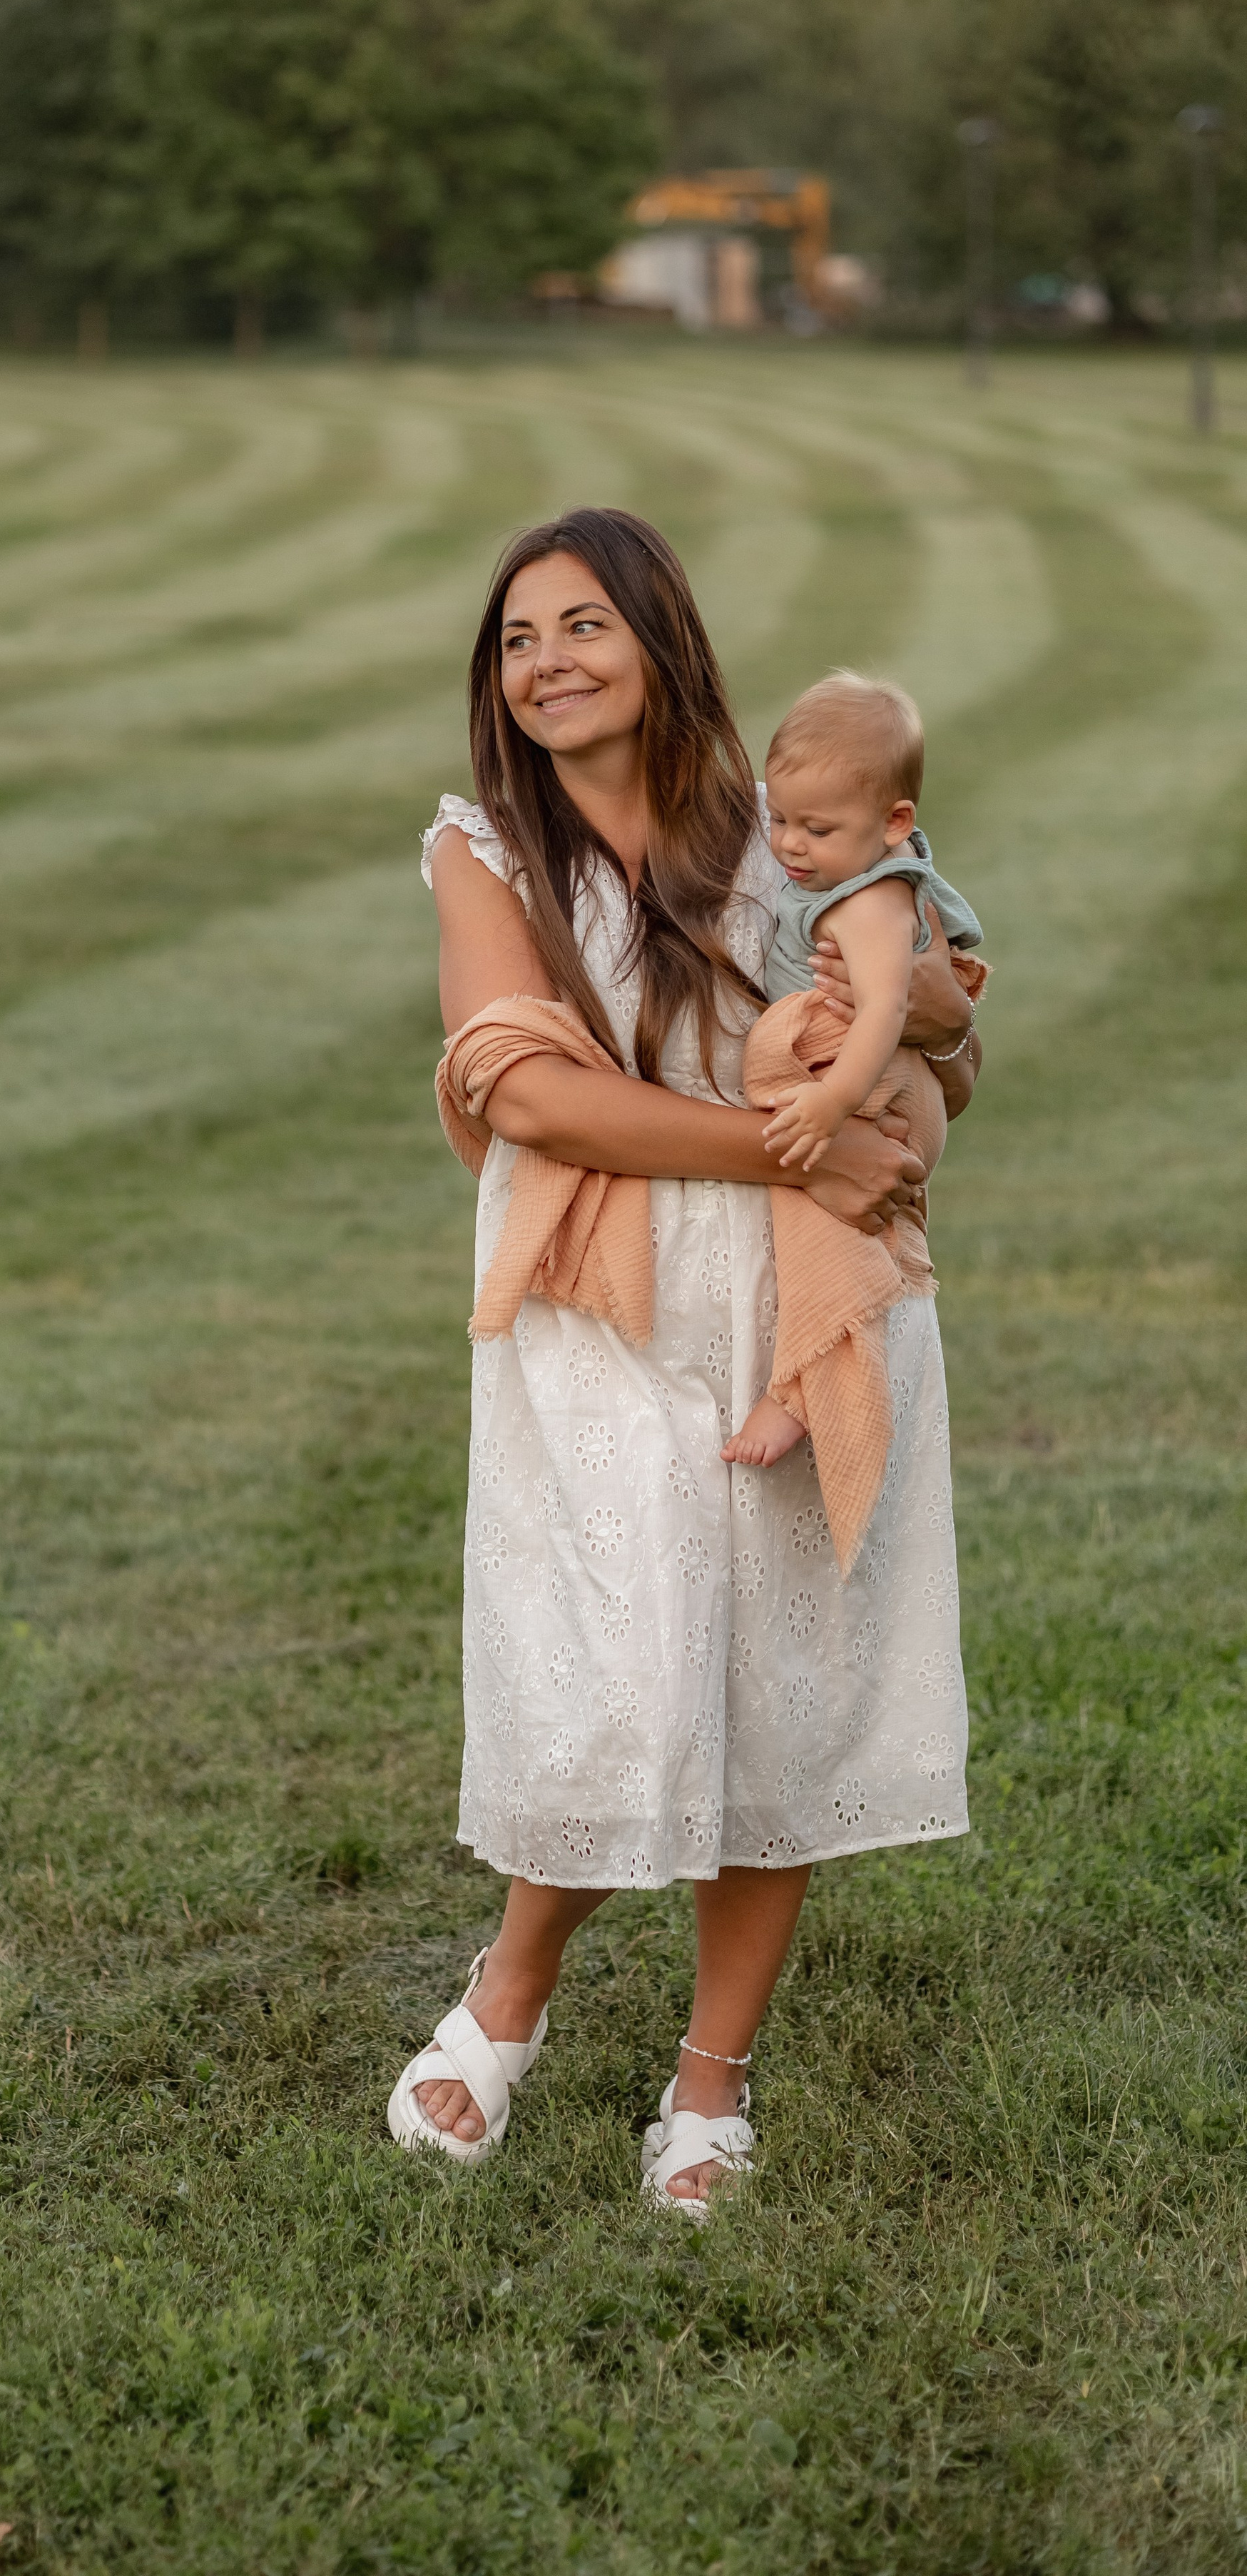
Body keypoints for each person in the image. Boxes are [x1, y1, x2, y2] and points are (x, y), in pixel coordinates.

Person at [386, 509, 981, 2214]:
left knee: (779, 1672)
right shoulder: (482, 850)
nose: (547, 660)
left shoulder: (777, 837)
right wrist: (795, 1143)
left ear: (659, 642)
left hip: (800, 1305)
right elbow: (524, 1089)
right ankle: (508, 1999)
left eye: (583, 624)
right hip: (608, 1299)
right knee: (607, 1657)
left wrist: (906, 1014)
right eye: (516, 639)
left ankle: (709, 2082)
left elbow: (929, 1024)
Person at [724, 669, 984, 1472]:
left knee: (821, 1228)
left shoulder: (868, 901)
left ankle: (800, 1386)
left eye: (817, 829)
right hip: (869, 1081)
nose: (791, 847)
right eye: (780, 822)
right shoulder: (843, 868)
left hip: (876, 1087)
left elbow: (884, 1010)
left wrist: (835, 1102)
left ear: (893, 823)